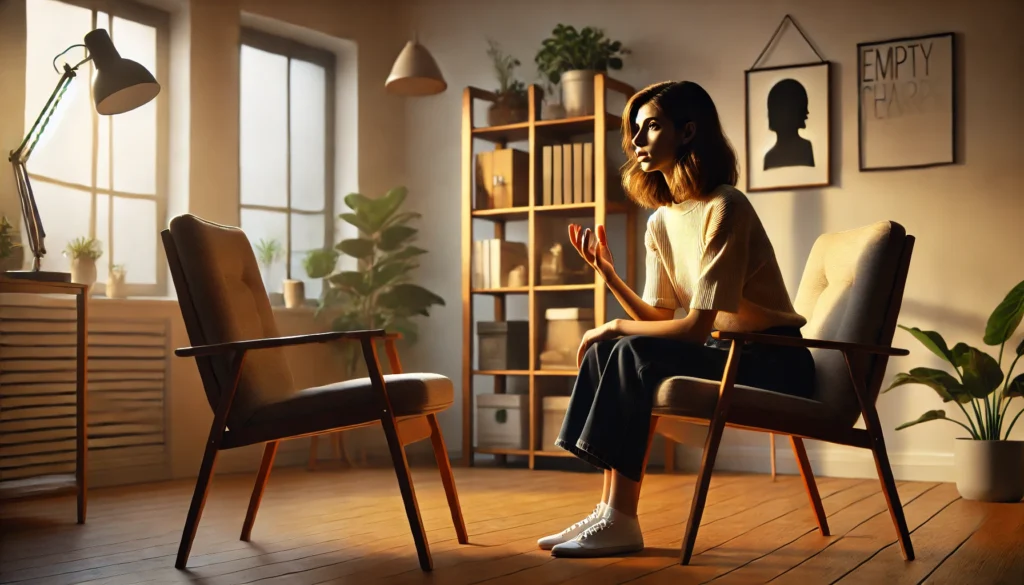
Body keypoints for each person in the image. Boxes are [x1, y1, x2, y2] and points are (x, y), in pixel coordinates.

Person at [537, 81, 817, 558]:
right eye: (635, 131)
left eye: (651, 128)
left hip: (776, 362)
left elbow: (692, 329)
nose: (637, 141)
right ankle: (609, 512)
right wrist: (609, 276)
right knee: (615, 348)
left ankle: (622, 519)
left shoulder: (727, 207)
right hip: (724, 352)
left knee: (623, 345)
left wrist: (615, 325)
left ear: (688, 132)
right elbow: (661, 317)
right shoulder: (661, 221)